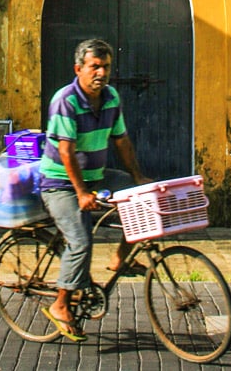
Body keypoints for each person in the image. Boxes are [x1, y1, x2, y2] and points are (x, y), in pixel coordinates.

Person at [39, 38, 150, 342]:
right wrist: (80, 193)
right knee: (80, 241)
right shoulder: (66, 100)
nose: (101, 73)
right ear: (79, 69)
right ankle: (61, 305)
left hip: (96, 177)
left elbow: (121, 140)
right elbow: (65, 152)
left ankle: (120, 259)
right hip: (60, 184)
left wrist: (138, 177)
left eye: (106, 67)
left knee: (144, 201)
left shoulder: (111, 97)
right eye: (94, 67)